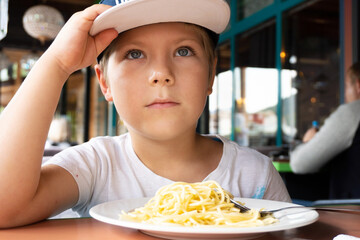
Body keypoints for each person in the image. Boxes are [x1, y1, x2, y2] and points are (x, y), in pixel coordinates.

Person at [0, 0, 290, 228]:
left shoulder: (256, 175)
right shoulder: (95, 165)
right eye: (135, 54)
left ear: (211, 73)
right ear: (104, 82)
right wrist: (57, 63)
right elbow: (5, 208)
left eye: (184, 51)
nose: (161, 74)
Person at [290, 62, 360, 198]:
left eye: (346, 86)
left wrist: (307, 141)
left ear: (358, 85)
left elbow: (299, 165)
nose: (345, 94)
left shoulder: (353, 112)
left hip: (351, 212)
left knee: (289, 201)